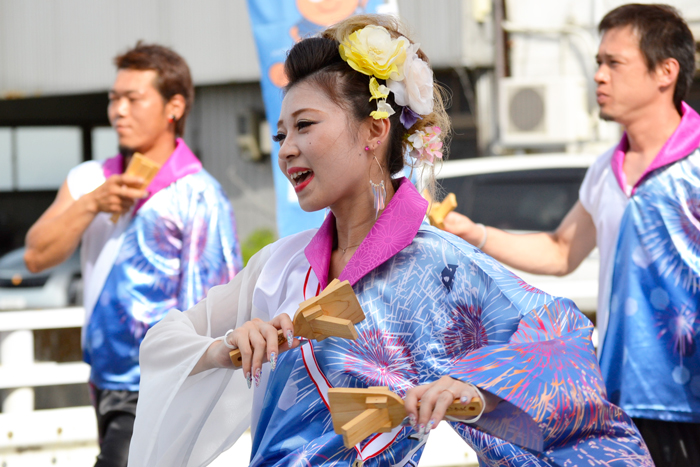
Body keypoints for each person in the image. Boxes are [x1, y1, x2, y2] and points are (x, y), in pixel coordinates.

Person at [129, 15, 651, 467]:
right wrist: (224, 348)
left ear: (375, 131)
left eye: (305, 125)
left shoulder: (440, 264)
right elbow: (162, 341)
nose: (287, 150)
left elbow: (562, 341)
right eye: (280, 135)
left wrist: (476, 395)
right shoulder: (278, 267)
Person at [443, 4, 699, 466]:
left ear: (666, 71)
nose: (599, 75)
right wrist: (473, 232)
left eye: (613, 63)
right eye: (598, 62)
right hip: (621, 398)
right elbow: (562, 250)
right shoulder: (605, 170)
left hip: (691, 399)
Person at [24, 43, 242, 467]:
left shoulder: (200, 195)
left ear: (173, 106)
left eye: (133, 98)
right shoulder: (89, 179)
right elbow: (35, 256)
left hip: (159, 380)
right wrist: (90, 204)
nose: (118, 111)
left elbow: (214, 308)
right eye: (113, 98)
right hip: (103, 377)